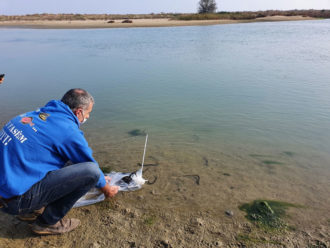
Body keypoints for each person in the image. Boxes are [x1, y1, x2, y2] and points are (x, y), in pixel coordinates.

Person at [0, 88, 118, 235]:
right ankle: (47, 222)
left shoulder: (36, 115)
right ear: (79, 112)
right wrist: (106, 188)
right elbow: (89, 165)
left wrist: (100, 179)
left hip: (5, 192)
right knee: (91, 172)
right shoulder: (68, 131)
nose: (87, 117)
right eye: (88, 113)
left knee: (65, 159)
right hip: (13, 202)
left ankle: (30, 211)